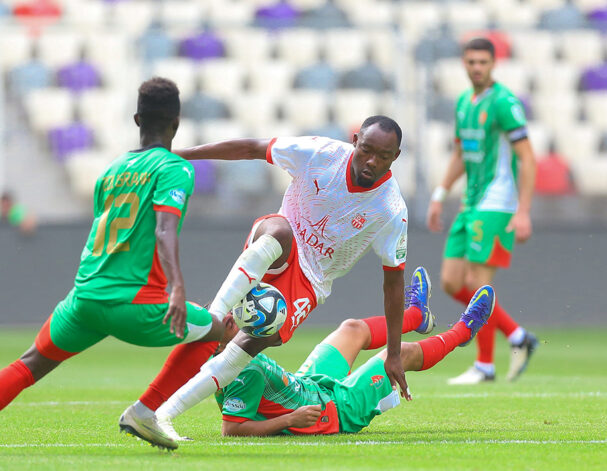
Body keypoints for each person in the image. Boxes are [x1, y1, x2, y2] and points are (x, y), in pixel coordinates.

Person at [0, 77, 229, 456]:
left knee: (28, 364)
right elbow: (164, 228)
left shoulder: (110, 172)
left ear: (137, 120)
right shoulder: (175, 169)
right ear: (177, 122)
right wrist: (177, 288)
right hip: (137, 306)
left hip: (84, 300)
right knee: (219, 330)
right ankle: (144, 410)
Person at [140, 115, 430, 447]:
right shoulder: (319, 153)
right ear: (354, 140)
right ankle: (216, 315)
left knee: (250, 344)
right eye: (366, 150)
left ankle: (163, 415)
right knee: (278, 231)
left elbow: (393, 282)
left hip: (310, 281)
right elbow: (251, 148)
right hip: (280, 245)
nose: (371, 161)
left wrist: (393, 352)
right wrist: (179, 155)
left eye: (383, 156)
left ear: (397, 156)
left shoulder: (391, 210)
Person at [217, 271, 496, 436]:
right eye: (227, 321)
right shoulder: (243, 371)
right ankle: (463, 331)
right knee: (399, 355)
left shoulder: (230, 357)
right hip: (333, 410)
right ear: (215, 343)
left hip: (307, 384)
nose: (230, 316)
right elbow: (231, 429)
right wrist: (290, 420)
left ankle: (415, 315)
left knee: (352, 329)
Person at [426, 38, 539, 385]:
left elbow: (528, 158)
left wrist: (523, 211)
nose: (476, 67)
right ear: (463, 63)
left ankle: (485, 365)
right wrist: (439, 194)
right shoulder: (463, 102)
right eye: (471, 61)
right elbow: (460, 154)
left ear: (493, 65)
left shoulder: (504, 103)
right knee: (450, 281)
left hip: (497, 203)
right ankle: (516, 335)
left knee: (478, 285)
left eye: (483, 62)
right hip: (470, 202)